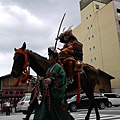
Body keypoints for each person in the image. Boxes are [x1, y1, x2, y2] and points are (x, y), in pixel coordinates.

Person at [34, 47, 74, 120]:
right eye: (49, 56)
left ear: (55, 57)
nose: (49, 58)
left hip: (55, 95)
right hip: (47, 96)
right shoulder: (49, 69)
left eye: (51, 56)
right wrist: (42, 80)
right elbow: (45, 79)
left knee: (59, 114)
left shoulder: (59, 67)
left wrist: (52, 80)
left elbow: (62, 79)